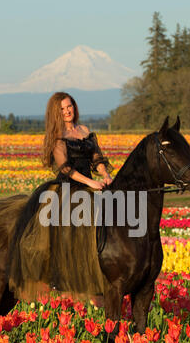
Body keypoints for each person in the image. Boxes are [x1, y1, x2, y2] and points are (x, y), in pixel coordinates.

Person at [7, 92, 114, 303]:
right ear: (55, 113)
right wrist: (91, 182)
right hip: (68, 188)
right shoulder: (57, 136)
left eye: (69, 106)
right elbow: (65, 168)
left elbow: (96, 158)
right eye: (62, 109)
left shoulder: (84, 130)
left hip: (91, 185)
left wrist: (106, 175)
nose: (67, 111)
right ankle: (69, 276)